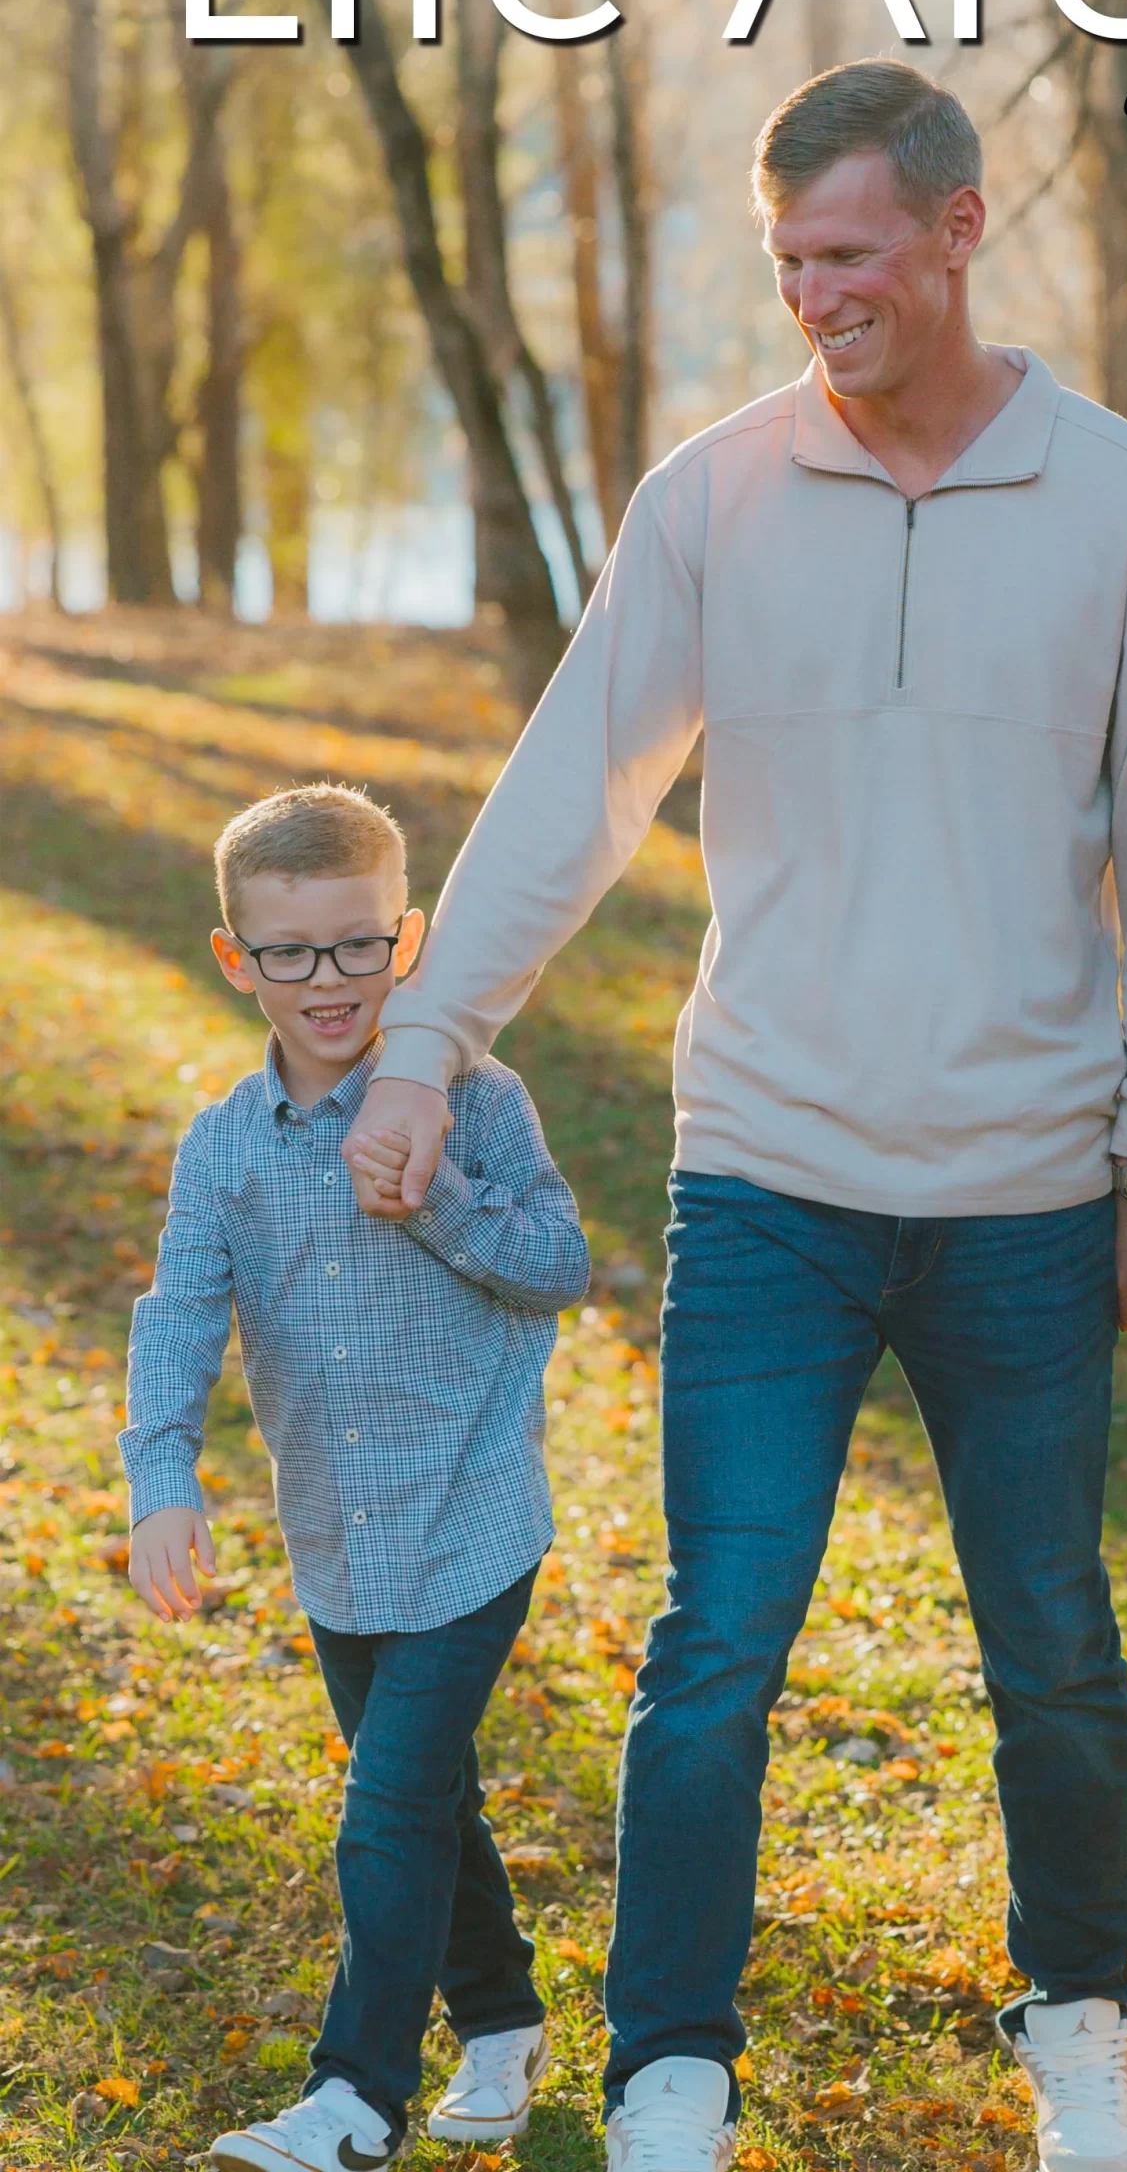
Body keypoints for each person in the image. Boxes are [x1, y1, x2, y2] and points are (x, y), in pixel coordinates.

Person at [342, 60, 1127, 2172]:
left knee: (1049, 1640)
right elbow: (574, 787)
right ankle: (674, 2055)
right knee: (715, 1637)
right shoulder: (711, 494)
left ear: (954, 228)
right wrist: (420, 1040)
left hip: (1028, 1184)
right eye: (786, 262)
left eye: (847, 253)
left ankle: (1080, 2017)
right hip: (762, 1168)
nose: (813, 295)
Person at [119, 784, 591, 2172]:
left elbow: (559, 1266)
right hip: (337, 1541)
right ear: (236, 958)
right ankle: (502, 2021)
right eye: (290, 953)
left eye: (357, 946)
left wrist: (433, 1194)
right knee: (429, 1794)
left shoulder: (478, 1100)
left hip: (471, 1524)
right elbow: (177, 1316)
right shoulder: (224, 1147)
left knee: (387, 1802)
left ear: (411, 940)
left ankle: (358, 2096)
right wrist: (164, 1481)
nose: (327, 982)